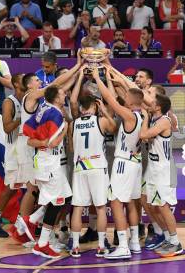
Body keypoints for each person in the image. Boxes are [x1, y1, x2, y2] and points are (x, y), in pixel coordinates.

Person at [92, 67, 144, 259]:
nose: (124, 98)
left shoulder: (130, 116)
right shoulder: (142, 115)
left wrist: (98, 78)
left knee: (115, 202)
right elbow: (116, 97)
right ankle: (135, 242)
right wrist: (109, 76)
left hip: (124, 163)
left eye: (126, 97)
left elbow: (112, 100)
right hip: (135, 162)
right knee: (130, 203)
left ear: (130, 101)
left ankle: (123, 246)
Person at [25, 85, 71, 259]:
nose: (64, 94)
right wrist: (65, 131)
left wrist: (42, 142)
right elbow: (51, 143)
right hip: (50, 162)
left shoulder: (42, 109)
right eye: (62, 93)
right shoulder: (56, 115)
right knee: (57, 202)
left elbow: (29, 139)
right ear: (56, 97)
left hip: (44, 161)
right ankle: (42, 244)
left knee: (66, 196)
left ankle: (32, 219)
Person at [69, 94, 116, 257]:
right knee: (101, 207)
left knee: (77, 207)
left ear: (81, 108)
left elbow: (71, 148)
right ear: (95, 106)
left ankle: (74, 246)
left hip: (80, 167)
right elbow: (114, 129)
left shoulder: (73, 124)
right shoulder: (100, 121)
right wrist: (105, 111)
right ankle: (101, 246)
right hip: (97, 167)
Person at [139, 93, 182, 257]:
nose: (148, 103)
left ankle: (176, 242)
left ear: (157, 107)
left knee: (163, 206)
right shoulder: (154, 118)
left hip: (163, 169)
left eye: (152, 101)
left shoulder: (164, 120)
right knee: (151, 204)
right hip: (153, 166)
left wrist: (143, 117)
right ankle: (166, 236)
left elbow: (143, 135)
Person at [0, 73, 25, 238]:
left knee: (33, 187)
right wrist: (23, 118)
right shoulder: (9, 102)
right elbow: (7, 128)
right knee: (11, 188)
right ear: (16, 84)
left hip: (27, 148)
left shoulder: (30, 99)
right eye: (22, 79)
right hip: (14, 150)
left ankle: (23, 224)